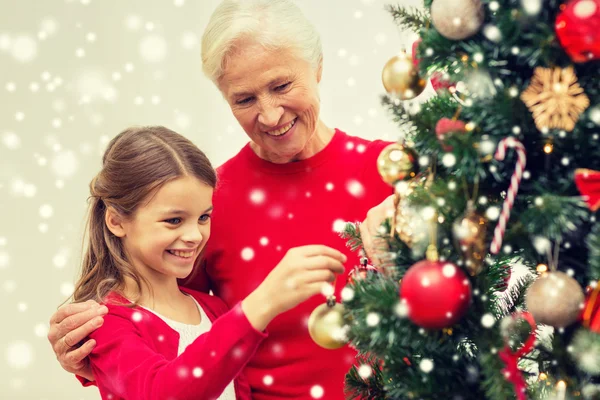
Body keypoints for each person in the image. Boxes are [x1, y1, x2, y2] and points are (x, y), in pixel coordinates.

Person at [47, 1, 397, 398]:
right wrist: (89, 353)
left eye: (282, 86)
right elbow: (173, 325)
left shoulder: (394, 173)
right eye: (244, 99)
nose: (269, 115)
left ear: (317, 68)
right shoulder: (207, 203)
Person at [71, 126, 346, 400]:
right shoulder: (105, 322)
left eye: (203, 218)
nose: (194, 236)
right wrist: (261, 303)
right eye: (174, 220)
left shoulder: (213, 309)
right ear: (117, 221)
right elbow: (163, 392)